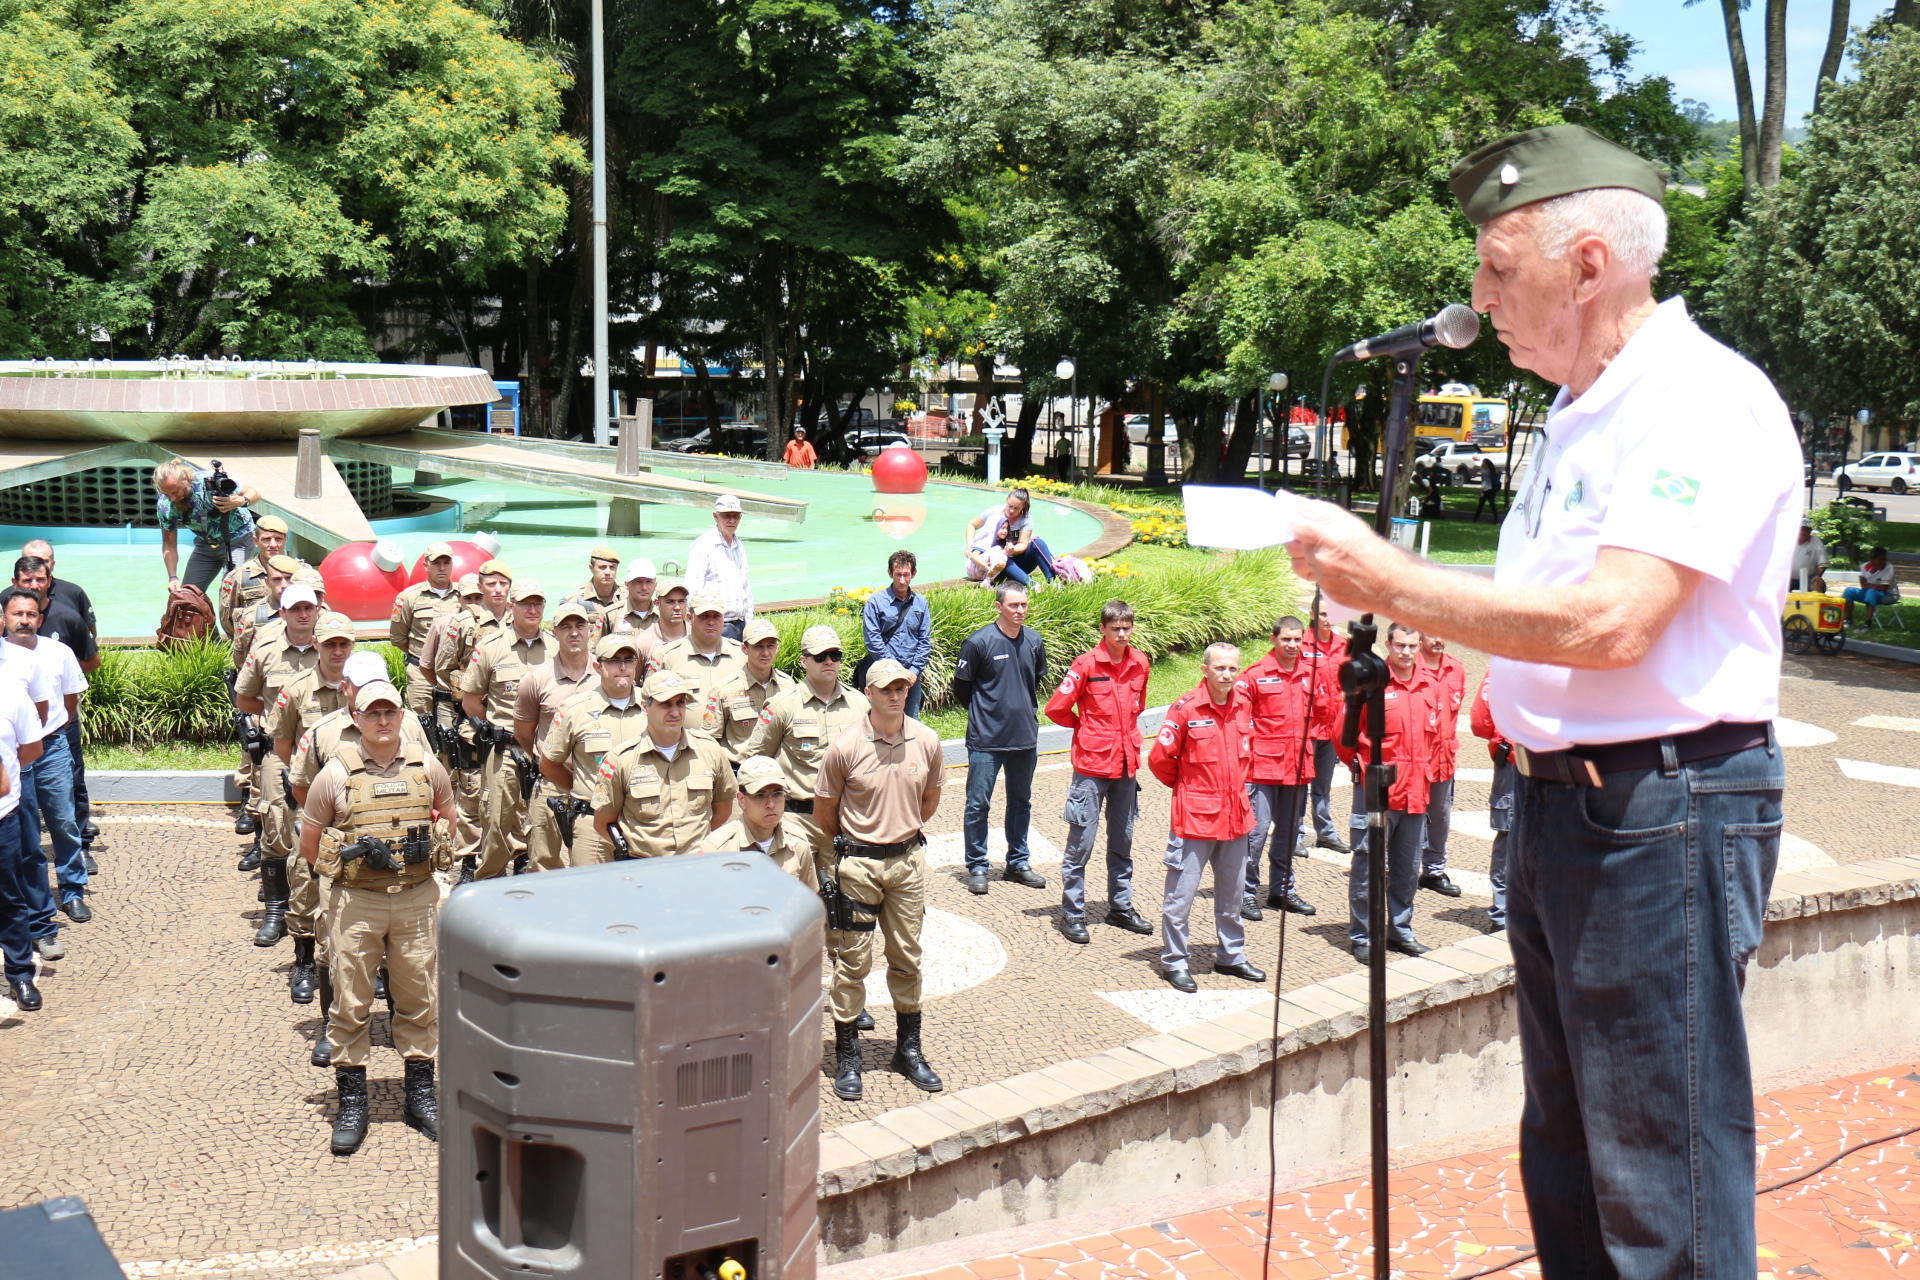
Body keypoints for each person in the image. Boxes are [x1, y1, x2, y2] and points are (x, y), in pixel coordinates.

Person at [1284, 124, 1801, 1275]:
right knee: (1568, 1163)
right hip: (1566, 811)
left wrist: (1399, 583)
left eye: (1497, 270)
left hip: (1661, 808)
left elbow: (1617, 622)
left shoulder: (1699, 398)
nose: (1476, 299)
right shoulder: (1586, 409)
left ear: (1587, 264)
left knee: (1661, 1184)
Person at [298, 680, 453, 1155]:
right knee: (350, 1001)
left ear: (402, 715)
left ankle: (420, 1095)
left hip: (415, 898)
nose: (382, 721)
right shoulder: (334, 775)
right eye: (373, 713)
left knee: (420, 997)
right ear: (357, 719)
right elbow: (309, 842)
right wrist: (348, 858)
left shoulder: (428, 768)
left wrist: (433, 843)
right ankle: (352, 1101)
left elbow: (447, 814)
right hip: (357, 903)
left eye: (390, 712)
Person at [814, 659, 945, 1101]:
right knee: (852, 962)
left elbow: (931, 798)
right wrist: (862, 841)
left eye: (902, 689)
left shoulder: (926, 741)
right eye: (886, 689)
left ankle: (908, 1049)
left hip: (907, 863)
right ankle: (848, 1056)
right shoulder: (845, 746)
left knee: (908, 957)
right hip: (859, 865)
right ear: (868, 693)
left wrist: (899, 830)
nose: (895, 696)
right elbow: (825, 812)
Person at [1148, 642, 1262, 992]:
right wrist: (1189, 789)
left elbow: (1248, 756)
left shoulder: (1244, 704)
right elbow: (1159, 760)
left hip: (1235, 817)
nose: (1226, 675)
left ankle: (1231, 956)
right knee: (1180, 898)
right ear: (1205, 669)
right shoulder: (1185, 709)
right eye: (1219, 668)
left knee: (1232, 895)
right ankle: (1175, 962)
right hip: (1194, 818)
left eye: (1232, 668)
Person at [1043, 599, 1152, 943]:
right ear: (1103, 629)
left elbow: (1139, 707)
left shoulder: (1139, 663)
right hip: (1091, 768)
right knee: (1081, 845)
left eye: (1127, 627)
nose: (1122, 633)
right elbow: (1056, 708)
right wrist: (1085, 727)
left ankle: (1120, 907)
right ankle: (1072, 914)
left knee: (1123, 841)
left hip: (1125, 766)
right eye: (1115, 628)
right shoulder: (1086, 665)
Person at [267, 612, 356, 1003]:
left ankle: (373, 965)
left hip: (360, 803)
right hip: (315, 803)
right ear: (317, 644)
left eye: (344, 644)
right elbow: (284, 745)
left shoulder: (370, 689)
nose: (337, 651)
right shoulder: (298, 689)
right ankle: (304, 960)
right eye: (330, 643)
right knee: (305, 878)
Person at [1337, 624, 1437, 962]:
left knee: (1408, 868)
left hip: (1415, 792)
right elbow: (1344, 736)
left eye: (1412, 646)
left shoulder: (1429, 687)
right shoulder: (1372, 685)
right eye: (1400, 645)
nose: (1406, 652)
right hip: (1377, 794)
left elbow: (1433, 739)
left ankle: (1399, 929)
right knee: (1368, 867)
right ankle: (1363, 935)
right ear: (1388, 645)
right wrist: (1362, 767)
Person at [234, 583, 323, 947]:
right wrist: (276, 720)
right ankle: (276, 910)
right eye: (295, 608)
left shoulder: (334, 648)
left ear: (318, 610)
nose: (303, 614)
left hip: (325, 753)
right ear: (282, 613)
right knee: (277, 827)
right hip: (279, 752)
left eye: (309, 607)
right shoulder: (266, 651)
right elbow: (244, 698)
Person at [740, 625, 869, 869]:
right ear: (804, 661)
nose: (828, 661)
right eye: (820, 657)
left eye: (835, 655)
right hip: (797, 821)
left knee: (845, 897)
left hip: (844, 820)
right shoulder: (783, 705)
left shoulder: (859, 705)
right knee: (795, 897)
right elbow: (756, 760)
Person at [1, 590, 88, 929]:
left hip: (50, 747)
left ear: (40, 618)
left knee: (62, 820)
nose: (24, 620)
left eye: (30, 614)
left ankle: (72, 888)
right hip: (10, 756)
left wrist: (51, 733)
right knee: (24, 832)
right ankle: (29, 904)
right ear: (4, 619)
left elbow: (68, 701)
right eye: (16, 614)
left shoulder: (57, 652)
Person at [953, 581, 1047, 895]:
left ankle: (1018, 862)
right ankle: (977, 865)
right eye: (1013, 606)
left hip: (1024, 737)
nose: (1020, 611)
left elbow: (1033, 682)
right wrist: (987, 712)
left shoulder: (1034, 641)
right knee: (978, 805)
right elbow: (962, 689)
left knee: (1021, 803)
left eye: (1023, 605)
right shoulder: (978, 643)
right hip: (986, 739)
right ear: (998, 607)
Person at [462, 578, 553, 879]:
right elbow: (471, 701)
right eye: (525, 603)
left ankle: (534, 875)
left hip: (546, 751)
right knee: (496, 820)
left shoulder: (556, 647)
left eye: (537, 603)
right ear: (511, 607)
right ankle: (489, 881)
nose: (532, 609)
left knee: (544, 819)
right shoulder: (490, 647)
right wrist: (491, 730)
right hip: (505, 749)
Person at [590, 671, 736, 858]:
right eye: (665, 704)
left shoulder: (709, 750)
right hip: (644, 869)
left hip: (697, 865)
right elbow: (603, 823)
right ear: (645, 707)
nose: (675, 712)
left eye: (680, 703)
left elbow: (723, 809)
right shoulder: (621, 759)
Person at [539, 634, 650, 866]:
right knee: (590, 895)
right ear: (598, 666)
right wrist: (585, 789)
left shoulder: (654, 704)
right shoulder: (575, 709)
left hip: (643, 821)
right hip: (592, 823)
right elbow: (549, 764)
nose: (622, 667)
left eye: (628, 660)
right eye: (614, 660)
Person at [1236, 616, 1319, 922]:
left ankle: (1282, 891)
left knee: (1287, 835)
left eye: (1298, 639)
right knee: (1255, 834)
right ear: (1273, 639)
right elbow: (1239, 721)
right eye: (1286, 639)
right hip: (1263, 769)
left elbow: (1325, 712)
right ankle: (1245, 893)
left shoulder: (1310, 675)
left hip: (1298, 767)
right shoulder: (1255, 676)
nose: (1292, 645)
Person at [436, 559, 513, 873]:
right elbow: (442, 667)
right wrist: (470, 691)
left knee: (513, 793)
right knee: (471, 791)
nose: (497, 589)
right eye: (491, 583)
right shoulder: (464, 622)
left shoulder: (518, 619)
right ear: (480, 586)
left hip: (509, 722)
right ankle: (468, 859)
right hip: (472, 721)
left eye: (503, 583)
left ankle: (516, 856)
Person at [512, 601, 597, 872]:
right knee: (545, 862)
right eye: (566, 627)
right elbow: (524, 733)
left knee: (593, 861)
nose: (574, 633)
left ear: (590, 631)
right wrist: (550, 759)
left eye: (580, 626)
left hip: (595, 782)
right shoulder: (537, 679)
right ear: (554, 633)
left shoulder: (606, 672)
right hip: (550, 784)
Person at [696, 754, 818, 880]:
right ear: (742, 800)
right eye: (760, 795)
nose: (771, 804)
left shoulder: (797, 843)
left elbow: (807, 896)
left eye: (777, 794)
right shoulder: (715, 850)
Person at [0, 676, 46, 1010]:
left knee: (9, 897)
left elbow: (31, 749)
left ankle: (20, 975)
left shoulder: (11, 693)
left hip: (2, 815)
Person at [152, 457, 262, 592]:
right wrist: (173, 577)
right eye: (167, 494)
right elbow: (169, 545)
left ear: (185, 478)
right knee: (187, 594)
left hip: (238, 541)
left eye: (175, 492)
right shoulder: (165, 505)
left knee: (231, 592)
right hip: (206, 544)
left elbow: (254, 493)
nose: (173, 498)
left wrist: (240, 501)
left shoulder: (209, 481)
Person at [701, 619, 793, 763]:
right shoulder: (724, 690)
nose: (765, 652)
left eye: (771, 646)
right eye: (758, 647)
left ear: (777, 647)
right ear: (744, 648)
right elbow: (709, 742)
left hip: (778, 775)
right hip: (739, 773)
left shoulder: (788, 686)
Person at [1417, 632, 1466, 899]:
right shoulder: (1408, 667)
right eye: (1431, 633)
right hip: (1415, 757)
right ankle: (1402, 867)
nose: (1438, 638)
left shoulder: (1456, 669)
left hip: (1444, 756)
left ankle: (1434, 871)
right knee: (1406, 817)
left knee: (1441, 818)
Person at [388, 542, 463, 716]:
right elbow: (398, 638)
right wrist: (425, 659)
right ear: (426, 565)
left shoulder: (464, 595)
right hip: (420, 675)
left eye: (447, 563)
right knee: (422, 724)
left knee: (455, 725)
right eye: (436, 563)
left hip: (454, 675)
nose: (442, 568)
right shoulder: (409, 597)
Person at [1299, 604, 1349, 855]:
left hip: (1332, 728)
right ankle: (1294, 834)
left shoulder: (1344, 646)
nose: (1327, 620)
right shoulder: (1300, 644)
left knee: (1323, 786)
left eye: (1332, 615)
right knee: (1298, 785)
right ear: (1311, 614)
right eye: (1322, 614)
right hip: (1307, 728)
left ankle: (1326, 833)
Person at [1468, 670, 1514, 932]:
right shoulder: (1500, 670)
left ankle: (1509, 912)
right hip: (1517, 762)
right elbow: (1480, 720)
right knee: (1509, 834)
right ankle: (1503, 913)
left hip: (1531, 763)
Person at [862, 551, 932, 719]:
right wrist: (897, 670)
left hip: (912, 677)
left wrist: (913, 671)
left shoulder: (921, 603)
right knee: (881, 722)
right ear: (890, 573)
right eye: (897, 574)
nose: (902, 580)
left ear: (913, 574)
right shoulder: (875, 602)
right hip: (883, 676)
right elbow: (873, 640)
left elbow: (925, 641)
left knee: (911, 724)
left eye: (906, 575)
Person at [652, 590, 746, 700]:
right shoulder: (667, 657)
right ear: (690, 617)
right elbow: (651, 702)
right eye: (704, 616)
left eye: (716, 616)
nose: (711, 622)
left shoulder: (742, 655)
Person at [686, 494, 753, 640]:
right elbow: (693, 589)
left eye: (736, 516)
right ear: (716, 516)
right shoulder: (702, 546)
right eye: (726, 516)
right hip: (716, 625)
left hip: (741, 624)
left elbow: (746, 588)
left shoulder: (739, 546)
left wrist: (749, 624)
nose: (732, 520)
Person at [964, 490, 1055, 588]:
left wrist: (1012, 550)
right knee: (1002, 557)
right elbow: (972, 525)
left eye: (1016, 508)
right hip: (995, 566)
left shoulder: (1026, 518)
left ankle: (1053, 583)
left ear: (1023, 507)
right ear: (1006, 501)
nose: (1011, 511)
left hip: (1017, 562)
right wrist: (970, 544)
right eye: (1010, 506)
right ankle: (1033, 586)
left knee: (1038, 543)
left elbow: (1023, 543)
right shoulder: (994, 512)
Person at [217, 517, 288, 638]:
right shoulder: (238, 577)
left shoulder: (300, 573)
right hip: (252, 646)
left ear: (285, 540)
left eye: (278, 539)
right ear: (255, 541)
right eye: (266, 539)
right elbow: (226, 618)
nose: (273, 545)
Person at [21, 540, 95, 642]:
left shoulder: (73, 592)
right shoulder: (6, 596)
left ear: (53, 564)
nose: (38, 566)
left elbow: (90, 632)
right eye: (33, 560)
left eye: (45, 561)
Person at [559, 546, 625, 635]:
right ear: (591, 568)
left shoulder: (628, 598)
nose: (608, 572)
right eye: (602, 567)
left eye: (612, 567)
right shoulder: (574, 602)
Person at [1842, 545, 1900, 624]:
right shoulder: (1864, 567)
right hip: (1870, 592)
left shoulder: (1888, 568)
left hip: (1889, 595)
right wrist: (1872, 586)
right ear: (1872, 560)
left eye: (1884, 559)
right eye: (1880, 560)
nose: (1883, 562)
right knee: (1849, 591)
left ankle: (1868, 623)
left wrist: (1869, 586)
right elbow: (1863, 585)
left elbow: (1884, 588)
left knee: (1871, 592)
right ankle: (1848, 619)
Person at [609, 558, 660, 636]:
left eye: (649, 582)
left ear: (655, 585)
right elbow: (594, 647)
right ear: (627, 585)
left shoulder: (663, 616)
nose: (644, 587)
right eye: (638, 582)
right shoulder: (611, 615)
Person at [1790, 518, 1829, 593]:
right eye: (1800, 529)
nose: (1803, 532)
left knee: (1818, 584)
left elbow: (1823, 564)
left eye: (1806, 529)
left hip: (1809, 578)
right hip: (1789, 578)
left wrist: (1818, 576)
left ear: (1810, 531)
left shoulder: (1816, 541)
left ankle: (1814, 604)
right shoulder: (1787, 540)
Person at [1472, 457, 1501, 522]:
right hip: (1492, 490)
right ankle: (1496, 519)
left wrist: (1482, 491)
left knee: (1480, 505)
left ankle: (1475, 519)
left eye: (1483, 463)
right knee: (1492, 505)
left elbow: (1484, 482)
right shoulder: (1493, 471)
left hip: (1486, 490)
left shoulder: (1485, 472)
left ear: (1486, 464)